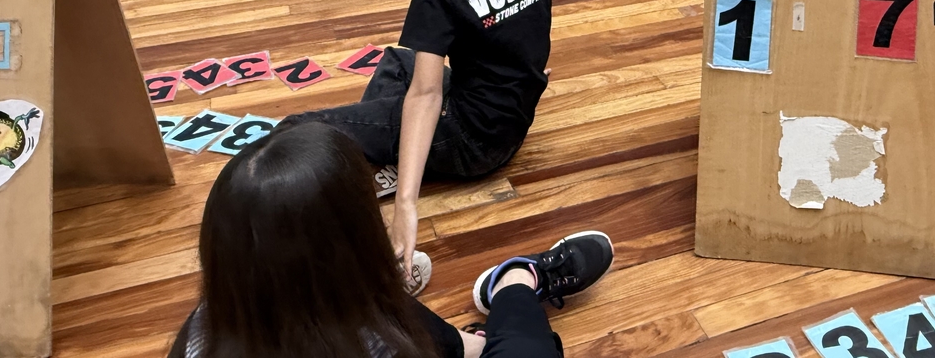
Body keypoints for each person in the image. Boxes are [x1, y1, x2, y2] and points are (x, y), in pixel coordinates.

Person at [285, 0, 556, 286]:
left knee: (296, 130)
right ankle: (391, 160)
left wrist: (405, 207)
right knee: (397, 60)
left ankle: (376, 242)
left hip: (471, 141)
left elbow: (427, 94)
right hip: (512, 124)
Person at [165, 121, 614, 358]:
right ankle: (516, 281)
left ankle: (471, 343)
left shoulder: (205, 329)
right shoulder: (381, 347)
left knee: (380, 308)